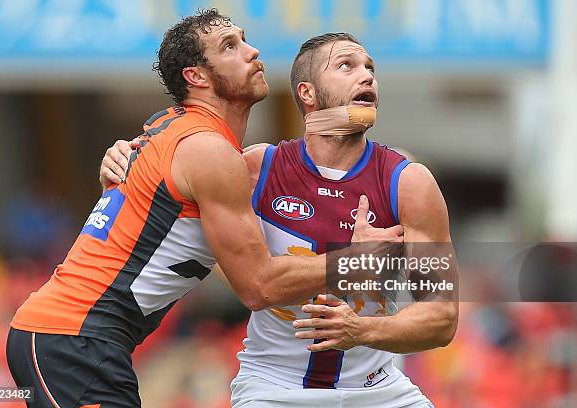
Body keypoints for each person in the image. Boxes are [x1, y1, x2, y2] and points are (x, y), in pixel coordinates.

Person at [6, 10, 400, 408]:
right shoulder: (209, 150)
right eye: (231, 46)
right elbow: (258, 286)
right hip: (74, 339)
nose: (253, 51)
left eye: (245, 40)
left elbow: (440, 315)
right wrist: (357, 261)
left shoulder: (175, 131)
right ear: (197, 77)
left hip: (73, 339)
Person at [102, 33, 458, 407]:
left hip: (378, 390)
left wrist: (360, 329)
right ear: (308, 93)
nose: (366, 76)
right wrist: (117, 166)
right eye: (346, 66)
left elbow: (442, 317)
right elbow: (158, 209)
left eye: (370, 68)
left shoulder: (409, 184)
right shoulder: (256, 170)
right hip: (273, 388)